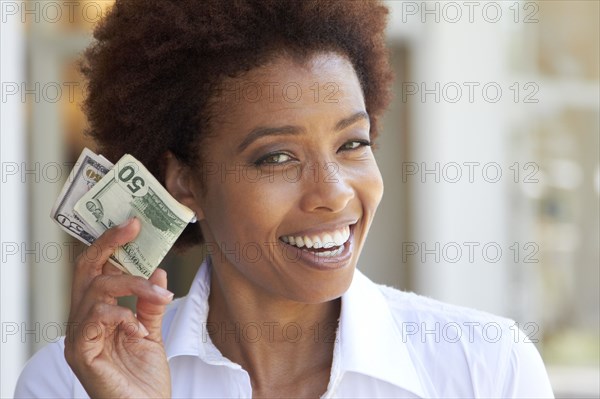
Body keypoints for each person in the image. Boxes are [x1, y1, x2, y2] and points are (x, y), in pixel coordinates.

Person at [15, 1, 554, 398]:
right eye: (277, 157)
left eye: (352, 145)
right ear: (185, 184)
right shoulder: (69, 383)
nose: (334, 193)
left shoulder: (486, 367)